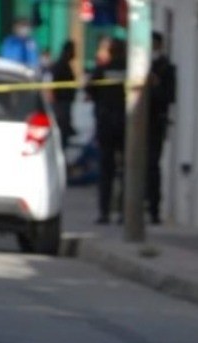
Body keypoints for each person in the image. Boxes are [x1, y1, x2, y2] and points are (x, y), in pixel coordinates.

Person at [86, 36, 127, 224]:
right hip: (127, 125)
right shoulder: (130, 70)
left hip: (106, 124)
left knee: (106, 171)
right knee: (127, 172)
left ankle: (104, 212)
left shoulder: (102, 70)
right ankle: (124, 213)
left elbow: (90, 91)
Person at [146, 32, 176, 225]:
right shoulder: (136, 66)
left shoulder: (165, 68)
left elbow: (169, 97)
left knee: (152, 167)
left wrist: (155, 86)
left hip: (155, 122)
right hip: (134, 125)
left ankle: (154, 210)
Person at [49, 41, 77, 150]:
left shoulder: (65, 65)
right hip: (61, 104)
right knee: (62, 131)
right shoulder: (61, 65)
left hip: (65, 103)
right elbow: (53, 85)